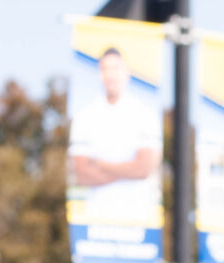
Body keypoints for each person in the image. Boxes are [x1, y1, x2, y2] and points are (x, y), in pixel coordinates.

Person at [68, 46, 161, 226]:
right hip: (96, 223)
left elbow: (143, 169)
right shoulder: (85, 116)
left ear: (127, 72)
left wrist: (101, 165)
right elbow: (82, 174)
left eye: (115, 68)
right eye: (105, 69)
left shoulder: (144, 114)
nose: (110, 75)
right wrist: (128, 170)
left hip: (139, 223)